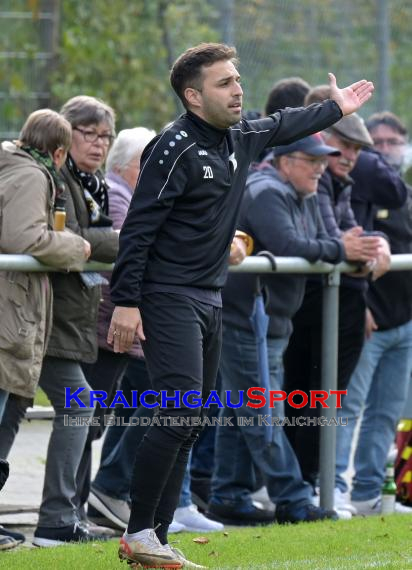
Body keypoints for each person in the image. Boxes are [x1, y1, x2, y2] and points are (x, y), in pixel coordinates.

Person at [108, 42, 374, 569]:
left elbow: (284, 123)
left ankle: (154, 540)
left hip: (209, 297)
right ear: (192, 95)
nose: (237, 89)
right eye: (224, 83)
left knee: (190, 416)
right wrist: (127, 302)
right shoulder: (174, 145)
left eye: (236, 79)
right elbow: (137, 230)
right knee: (177, 407)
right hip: (167, 295)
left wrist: (335, 108)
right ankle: (137, 530)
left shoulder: (239, 137)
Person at [207, 134, 366, 526]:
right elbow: (291, 244)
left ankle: (228, 495)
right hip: (248, 320)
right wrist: (342, 251)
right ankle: (294, 500)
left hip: (268, 321)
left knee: (240, 410)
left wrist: (338, 247)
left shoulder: (301, 192)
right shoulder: (266, 191)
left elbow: (321, 241)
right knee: (262, 412)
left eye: (321, 161)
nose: (319, 168)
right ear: (284, 161)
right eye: (311, 160)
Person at [0, 96, 120, 547]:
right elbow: (34, 237)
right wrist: (96, 245)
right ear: (62, 142)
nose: (97, 143)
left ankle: (64, 515)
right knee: (77, 404)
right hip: (36, 317)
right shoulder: (42, 174)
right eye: (87, 133)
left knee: (15, 409)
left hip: (49, 316)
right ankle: (57, 519)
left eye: (104, 135)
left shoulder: (84, 180)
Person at [283, 112, 388, 498]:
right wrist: (360, 254)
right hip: (316, 303)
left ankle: (305, 484)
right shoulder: (320, 181)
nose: (349, 156)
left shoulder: (339, 182)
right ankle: (308, 484)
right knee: (316, 398)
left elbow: (349, 242)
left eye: (358, 150)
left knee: (313, 398)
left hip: (323, 302)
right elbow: (336, 243)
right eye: (344, 146)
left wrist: (370, 248)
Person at [75, 126, 156, 519]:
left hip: (119, 329)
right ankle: (86, 501)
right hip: (110, 327)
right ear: (131, 165)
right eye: (151, 161)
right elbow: (131, 248)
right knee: (87, 420)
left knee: (103, 418)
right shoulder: (119, 195)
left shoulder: (129, 195)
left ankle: (96, 498)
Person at [335, 111, 412, 515]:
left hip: (404, 322)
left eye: (390, 143)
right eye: (373, 145)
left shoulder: (403, 193)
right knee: (346, 408)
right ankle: (333, 489)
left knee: (386, 412)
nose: (383, 153)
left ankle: (369, 494)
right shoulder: (358, 186)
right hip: (367, 318)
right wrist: (361, 304)